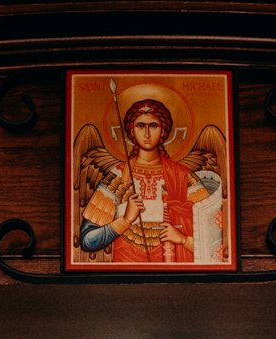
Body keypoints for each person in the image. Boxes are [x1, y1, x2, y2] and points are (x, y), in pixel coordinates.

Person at [78, 98, 214, 264]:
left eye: (153, 126)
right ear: (131, 131)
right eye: (140, 126)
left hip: (170, 262)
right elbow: (87, 240)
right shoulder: (117, 177)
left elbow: (214, 241)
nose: (147, 134)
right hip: (127, 263)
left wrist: (183, 239)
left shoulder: (184, 177)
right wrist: (125, 220)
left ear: (163, 131)